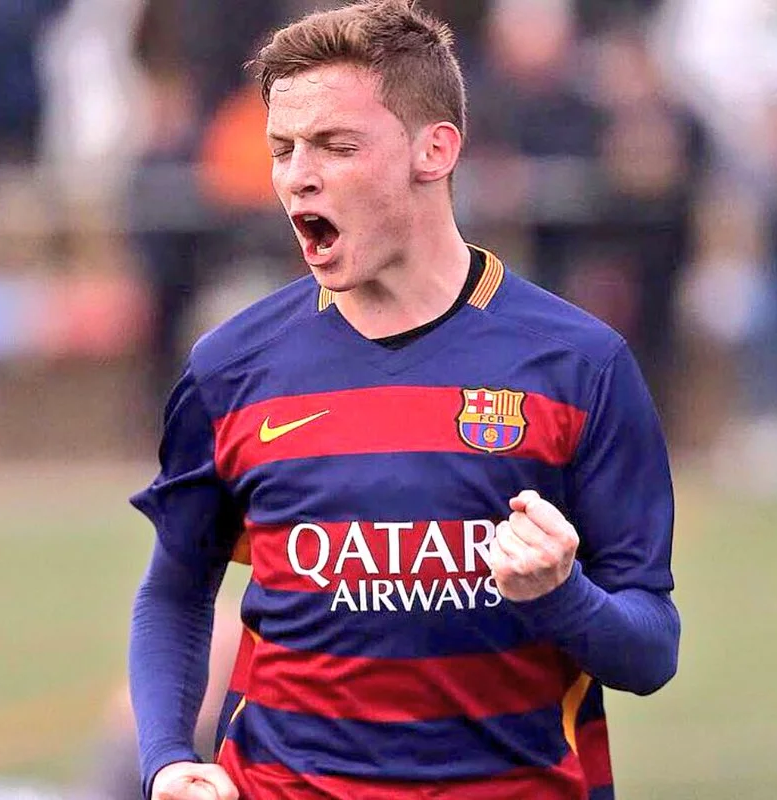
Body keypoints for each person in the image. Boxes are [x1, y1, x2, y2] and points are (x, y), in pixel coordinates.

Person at [127, 2, 680, 799]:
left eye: (336, 146)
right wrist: (167, 756)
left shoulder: (579, 366)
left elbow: (651, 651)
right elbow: (176, 588)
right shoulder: (230, 369)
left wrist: (563, 597)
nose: (297, 175)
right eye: (283, 148)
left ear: (435, 150)